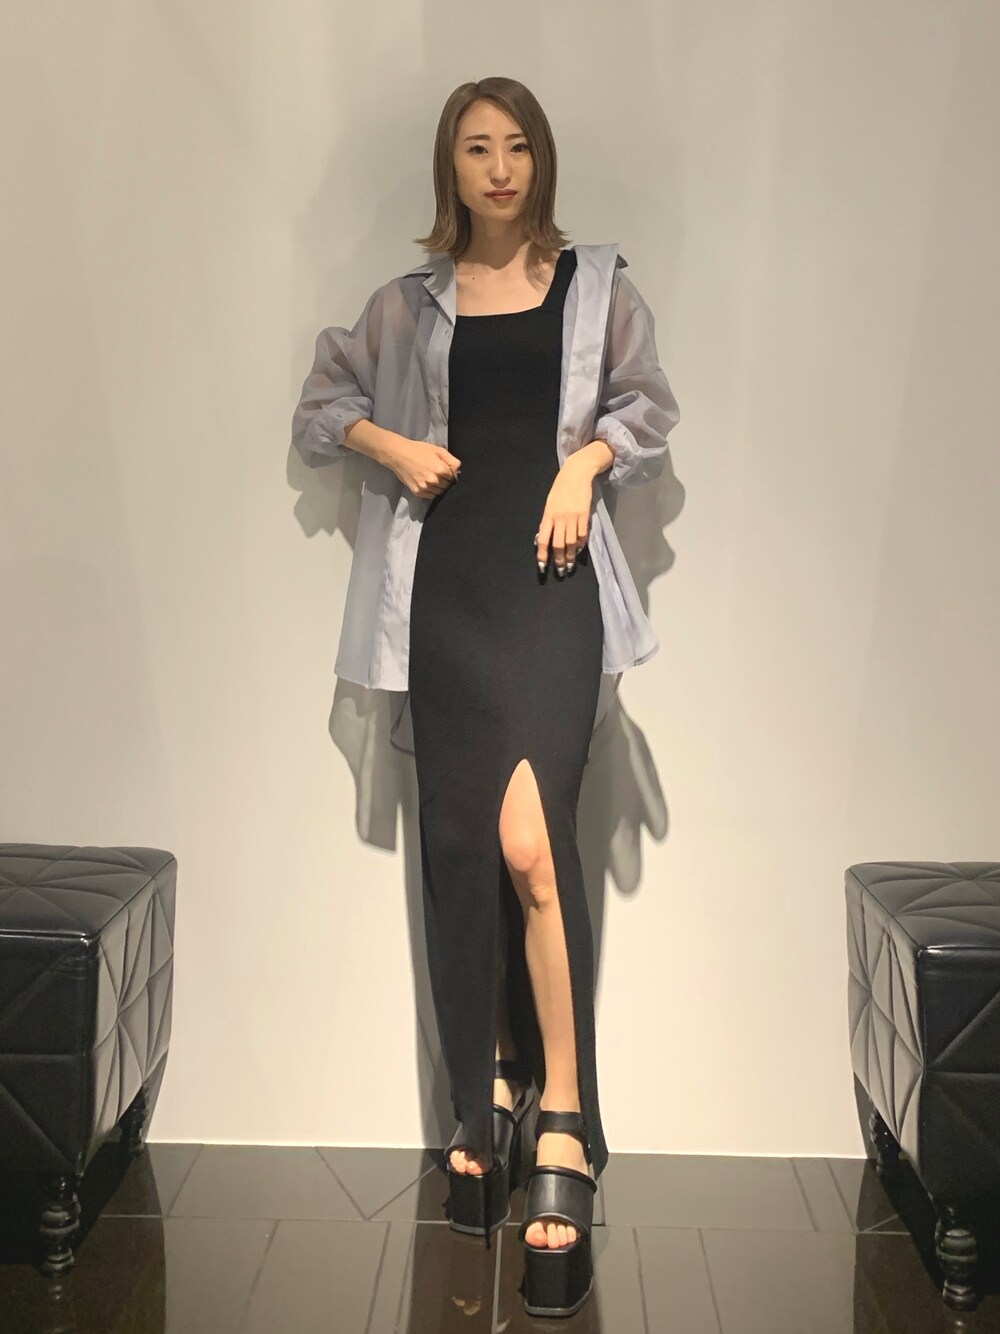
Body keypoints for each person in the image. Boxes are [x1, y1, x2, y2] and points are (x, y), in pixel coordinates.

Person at [291, 76, 680, 1320]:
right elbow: (322, 405)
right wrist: (392, 445)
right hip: (447, 596)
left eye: (516, 146)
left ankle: (563, 1113)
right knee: (462, 851)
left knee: (530, 845)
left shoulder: (596, 283)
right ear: (449, 167)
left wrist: (584, 461)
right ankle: (486, 1095)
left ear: (540, 160)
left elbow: (648, 410)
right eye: (476, 148)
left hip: (551, 591)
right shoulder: (409, 303)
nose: (499, 167)